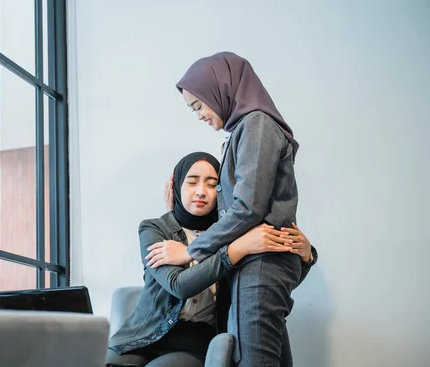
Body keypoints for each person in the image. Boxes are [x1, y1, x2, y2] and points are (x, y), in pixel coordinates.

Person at [144, 52, 315, 367]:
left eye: (198, 105)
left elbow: (248, 207)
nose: (199, 115)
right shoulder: (246, 129)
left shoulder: (257, 124)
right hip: (256, 265)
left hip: (260, 266)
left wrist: (190, 250)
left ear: (220, 90)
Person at [107, 152, 316, 367]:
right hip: (141, 336)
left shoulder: (234, 234)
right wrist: (234, 251)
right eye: (192, 182)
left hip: (195, 342)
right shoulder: (155, 229)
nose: (201, 192)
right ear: (176, 185)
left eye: (211, 184)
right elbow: (178, 285)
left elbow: (265, 285)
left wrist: (307, 256)